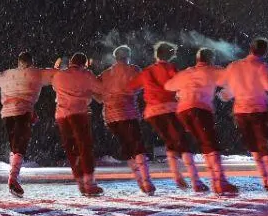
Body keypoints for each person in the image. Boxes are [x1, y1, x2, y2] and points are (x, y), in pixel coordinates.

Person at [128, 41, 203, 191]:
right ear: (170, 55)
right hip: (169, 108)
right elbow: (180, 84)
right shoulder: (171, 69)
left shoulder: (147, 71)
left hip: (152, 112)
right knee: (182, 141)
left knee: (171, 140)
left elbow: (131, 86)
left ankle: (176, 175)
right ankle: (195, 181)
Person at [0, 51, 54, 197]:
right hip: (23, 112)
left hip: (8, 114)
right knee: (19, 146)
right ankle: (13, 179)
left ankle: (13, 177)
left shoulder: (8, 74)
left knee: (15, 145)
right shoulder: (36, 73)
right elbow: (55, 76)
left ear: (19, 62)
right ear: (30, 62)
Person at [165, 48, 237, 195]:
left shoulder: (187, 72)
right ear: (211, 59)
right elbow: (232, 77)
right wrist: (225, 94)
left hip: (183, 111)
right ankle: (219, 182)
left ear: (197, 60)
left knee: (195, 144)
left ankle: (198, 181)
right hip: (200, 109)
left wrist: (181, 90)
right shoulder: (212, 70)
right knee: (210, 143)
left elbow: (168, 86)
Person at [220, 38, 268, 192]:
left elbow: (227, 91)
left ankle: (264, 179)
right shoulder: (262, 66)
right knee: (263, 143)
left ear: (250, 48)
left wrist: (222, 95)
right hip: (258, 110)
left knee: (253, 146)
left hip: (240, 111)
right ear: (264, 51)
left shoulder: (234, 66)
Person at [99, 45, 155, 194]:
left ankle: (140, 181)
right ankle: (146, 180)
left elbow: (97, 93)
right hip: (128, 113)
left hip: (110, 116)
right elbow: (143, 84)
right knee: (137, 145)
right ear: (128, 56)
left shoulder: (105, 74)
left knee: (127, 146)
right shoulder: (133, 70)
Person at [51, 53, 103, 196]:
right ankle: (89, 183)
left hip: (62, 115)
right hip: (79, 114)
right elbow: (100, 89)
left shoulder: (59, 76)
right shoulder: (86, 75)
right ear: (84, 64)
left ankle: (80, 181)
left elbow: (55, 88)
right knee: (85, 147)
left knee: (71, 148)